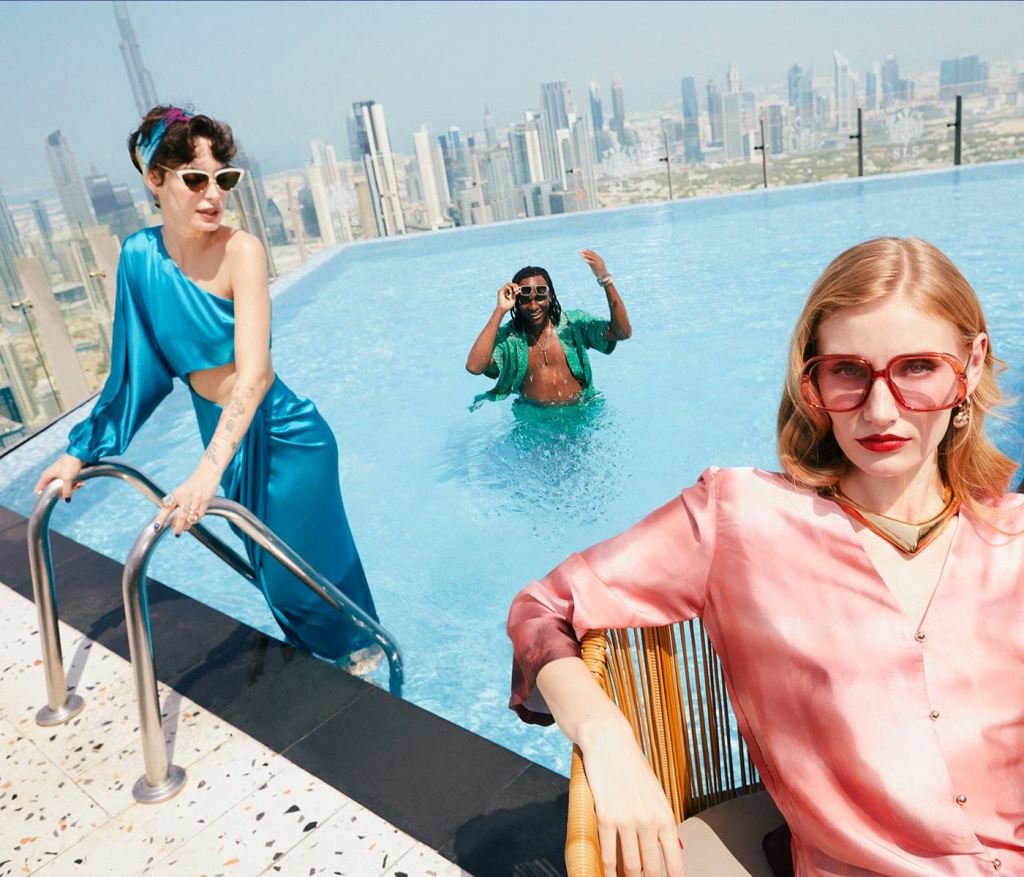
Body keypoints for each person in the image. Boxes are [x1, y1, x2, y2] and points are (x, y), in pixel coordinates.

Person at [507, 237, 1024, 876]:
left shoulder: (1014, 542)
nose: (880, 409)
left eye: (918, 367)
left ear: (970, 367)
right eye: (848, 372)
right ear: (811, 379)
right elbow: (542, 607)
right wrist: (606, 736)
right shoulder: (739, 521)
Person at [34, 106, 380, 672]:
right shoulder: (139, 258)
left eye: (225, 179)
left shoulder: (241, 250)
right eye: (195, 179)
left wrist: (206, 472)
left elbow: (256, 372)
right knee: (275, 582)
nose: (213, 194)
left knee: (310, 582)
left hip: (286, 439)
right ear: (155, 179)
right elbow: (132, 376)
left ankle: (370, 687)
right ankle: (341, 680)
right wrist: (78, 453)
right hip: (223, 438)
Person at [466, 251, 631, 405]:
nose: (533, 306)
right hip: (533, 421)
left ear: (551, 296)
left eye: (539, 297)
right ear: (516, 302)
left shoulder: (573, 325)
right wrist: (500, 310)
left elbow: (622, 332)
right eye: (525, 300)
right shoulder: (510, 339)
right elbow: (474, 367)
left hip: (580, 413)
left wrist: (606, 280)